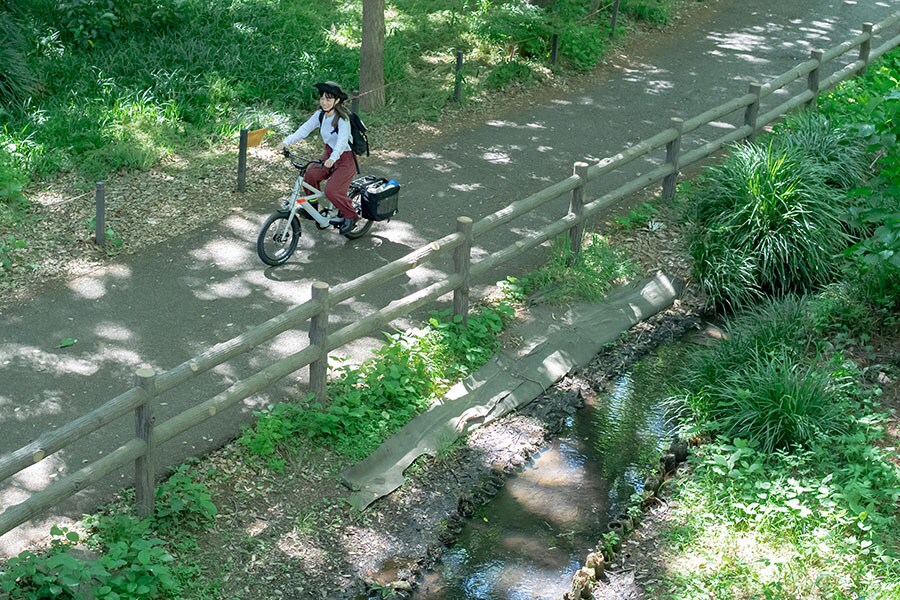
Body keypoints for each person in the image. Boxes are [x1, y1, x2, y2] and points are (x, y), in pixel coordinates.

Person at [275, 81, 359, 234]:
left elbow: (341, 142)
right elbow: (303, 130)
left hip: (345, 159)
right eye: (322, 99)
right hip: (329, 155)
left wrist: (333, 158)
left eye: (328, 99)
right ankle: (312, 209)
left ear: (337, 101)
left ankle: (351, 215)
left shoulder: (343, 119)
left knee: (332, 191)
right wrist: (285, 142)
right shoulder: (320, 115)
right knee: (310, 175)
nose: (324, 102)